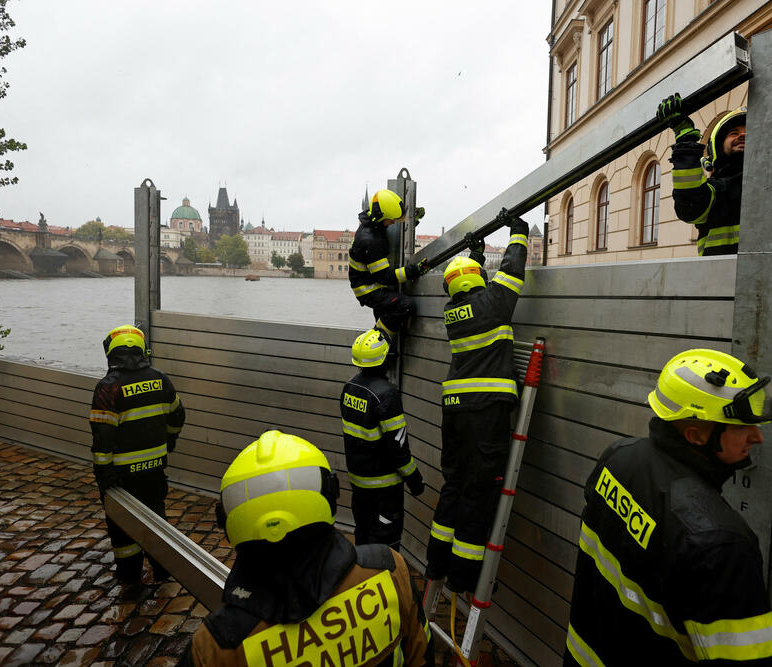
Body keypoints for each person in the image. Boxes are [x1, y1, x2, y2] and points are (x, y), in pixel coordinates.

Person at [564, 348, 772, 666]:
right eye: (741, 427)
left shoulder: (617, 458)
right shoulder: (720, 545)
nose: (757, 437)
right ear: (696, 435)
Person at [182, 430, 433, 666]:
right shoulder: (388, 570)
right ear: (328, 498)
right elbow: (422, 655)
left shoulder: (215, 646)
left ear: (229, 522)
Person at [425, 211, 529, 594]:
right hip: (487, 411)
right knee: (479, 490)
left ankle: (436, 561)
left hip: (454, 409)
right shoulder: (493, 304)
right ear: (478, 281)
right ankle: (464, 577)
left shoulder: (455, 312)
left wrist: (476, 255)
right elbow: (514, 270)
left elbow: (470, 287)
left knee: (454, 484)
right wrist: (518, 231)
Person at [89, 324, 185, 583]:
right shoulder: (160, 379)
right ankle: (162, 570)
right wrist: (169, 440)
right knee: (157, 516)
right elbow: (178, 415)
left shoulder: (108, 388)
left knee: (121, 526)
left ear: (111, 353)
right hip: (154, 468)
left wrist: (103, 473)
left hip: (121, 474)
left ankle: (130, 575)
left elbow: (103, 437)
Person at [341, 328, 426, 551]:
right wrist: (414, 478)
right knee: (385, 546)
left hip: (359, 484)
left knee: (363, 535)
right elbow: (398, 447)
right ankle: (384, 583)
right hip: (384, 489)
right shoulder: (387, 395)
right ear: (385, 359)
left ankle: (362, 581)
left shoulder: (350, 387)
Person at [657, 93, 746, 256]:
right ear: (718, 147)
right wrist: (686, 142)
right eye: (734, 132)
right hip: (718, 278)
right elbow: (691, 205)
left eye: (748, 131)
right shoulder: (718, 189)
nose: (742, 135)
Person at [349, 188, 430, 342]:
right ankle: (378, 341)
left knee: (387, 311)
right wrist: (415, 271)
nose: (393, 222)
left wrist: (412, 222)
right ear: (381, 216)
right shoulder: (371, 240)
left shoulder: (373, 224)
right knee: (405, 306)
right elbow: (385, 277)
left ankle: (383, 347)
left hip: (369, 283)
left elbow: (390, 233)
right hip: (368, 290)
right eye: (391, 219)